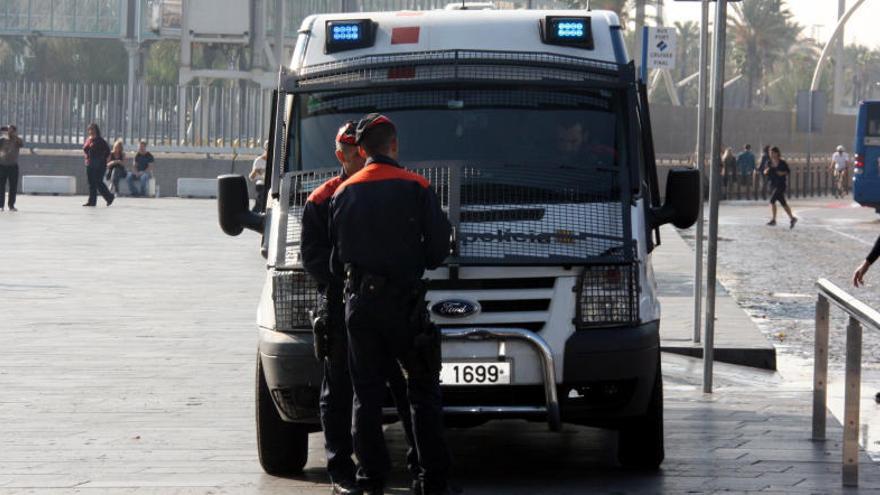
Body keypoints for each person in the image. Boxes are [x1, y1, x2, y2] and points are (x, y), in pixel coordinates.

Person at [329, 114, 453, 495]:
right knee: (423, 392)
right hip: (405, 305)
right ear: (395, 145)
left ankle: (370, 480)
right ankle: (430, 480)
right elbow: (435, 253)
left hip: (360, 308)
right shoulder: (418, 186)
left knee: (365, 395)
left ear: (361, 150)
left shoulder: (342, 193)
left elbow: (336, 262)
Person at [301, 121, 420, 495]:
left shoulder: (384, 188)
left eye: (362, 151)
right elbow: (314, 259)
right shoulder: (322, 198)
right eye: (353, 154)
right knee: (338, 390)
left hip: (382, 304)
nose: (360, 158)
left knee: (405, 389)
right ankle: (341, 469)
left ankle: (419, 463)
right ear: (341, 155)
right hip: (341, 304)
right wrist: (351, 275)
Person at [82, 123, 114, 207]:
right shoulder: (88, 140)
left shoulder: (100, 141)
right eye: (89, 129)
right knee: (91, 183)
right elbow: (85, 150)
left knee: (98, 182)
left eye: (92, 129)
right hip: (89, 164)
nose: (91, 131)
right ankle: (92, 201)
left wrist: (103, 161)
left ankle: (109, 197)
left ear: (96, 130)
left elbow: (107, 152)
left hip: (99, 165)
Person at [764, 146, 797, 228]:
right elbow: (764, 171)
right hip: (773, 184)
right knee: (783, 203)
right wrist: (766, 171)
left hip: (781, 185)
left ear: (777, 153)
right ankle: (792, 218)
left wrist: (782, 173)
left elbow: (788, 171)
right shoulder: (769, 162)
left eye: (773, 153)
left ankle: (774, 220)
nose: (771, 154)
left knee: (772, 201)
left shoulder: (782, 163)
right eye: (770, 153)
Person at [0, 124, 23, 212]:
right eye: (8, 130)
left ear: (15, 131)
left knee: (13, 187)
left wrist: (14, 136)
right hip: (2, 165)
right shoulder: (2, 140)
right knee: (1, 186)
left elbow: (21, 144)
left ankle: (11, 205)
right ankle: (1, 205)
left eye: (11, 130)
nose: (9, 132)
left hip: (13, 166)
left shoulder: (17, 140)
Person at [249, 143, 268, 213]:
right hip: (261, 184)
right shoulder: (259, 160)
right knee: (260, 204)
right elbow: (251, 177)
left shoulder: (275, 160)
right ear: (265, 149)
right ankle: (252, 218)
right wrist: (255, 171)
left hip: (271, 184)